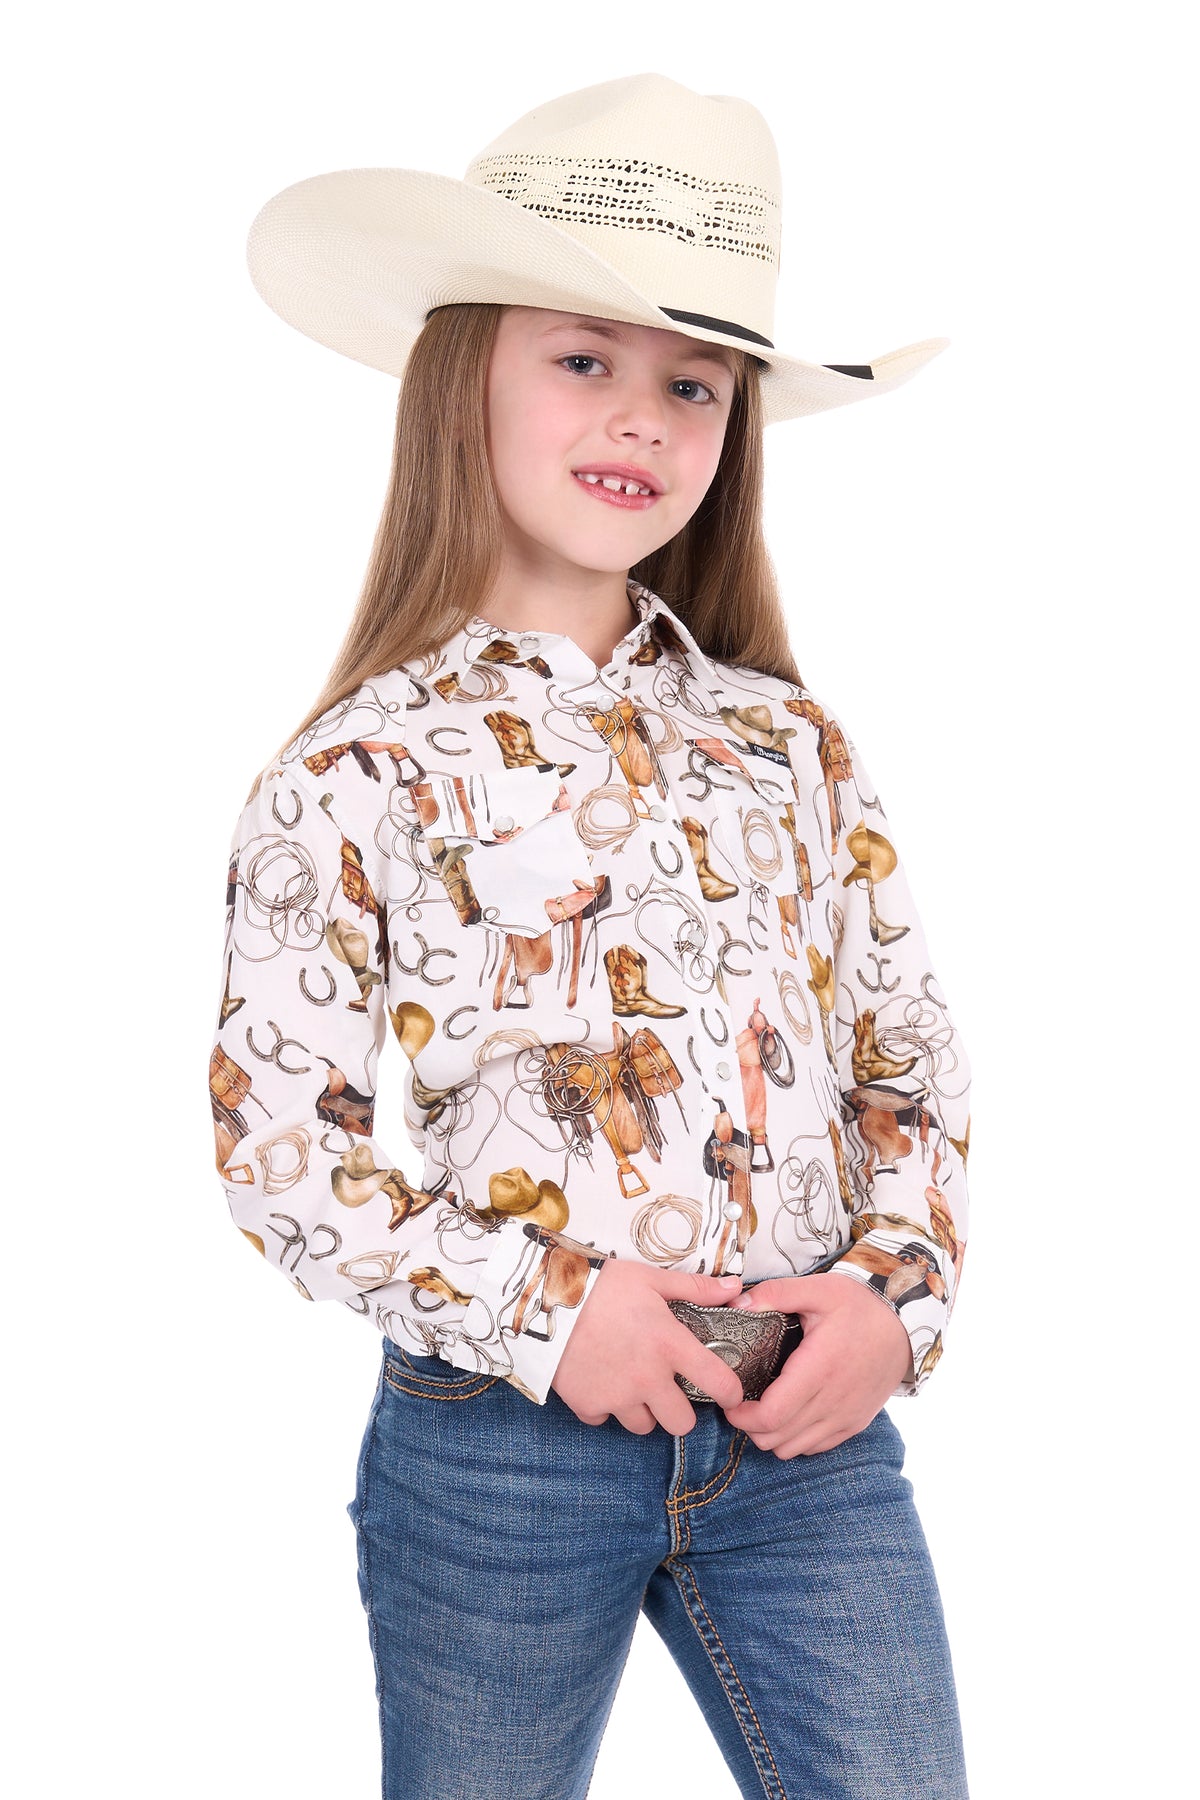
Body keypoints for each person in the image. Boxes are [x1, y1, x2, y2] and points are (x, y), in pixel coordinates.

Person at [211, 72, 972, 1800]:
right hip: (506, 1453)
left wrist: (891, 1297)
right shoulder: (358, 769)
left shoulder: (788, 745)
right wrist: (552, 1313)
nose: (642, 416)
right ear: (459, 371)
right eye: (583, 358)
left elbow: (902, 1056)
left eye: (691, 382)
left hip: (808, 1441)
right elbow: (283, 1154)